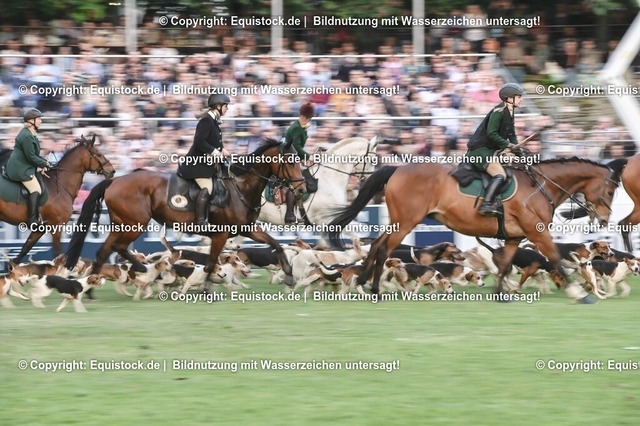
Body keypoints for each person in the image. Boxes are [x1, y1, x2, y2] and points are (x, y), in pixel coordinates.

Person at [465, 83, 525, 216]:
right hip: (480, 151)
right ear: (509, 98)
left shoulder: (510, 111)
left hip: (490, 150)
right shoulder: (498, 112)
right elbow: (492, 134)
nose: (521, 99)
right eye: (519, 97)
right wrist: (508, 145)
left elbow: (512, 135)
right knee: (500, 175)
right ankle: (486, 205)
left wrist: (520, 154)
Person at [177, 93, 230, 226]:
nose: (227, 108)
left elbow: (213, 140)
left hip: (207, 163)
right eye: (226, 106)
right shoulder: (206, 121)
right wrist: (216, 152)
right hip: (196, 165)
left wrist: (222, 149)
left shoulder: (214, 121)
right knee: (208, 188)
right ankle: (200, 221)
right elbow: (200, 142)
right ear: (218, 106)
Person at [6, 108, 53, 226]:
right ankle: (32, 220)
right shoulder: (27, 136)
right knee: (36, 189)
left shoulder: (31, 133)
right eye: (39, 119)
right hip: (19, 168)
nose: (41, 121)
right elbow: (31, 157)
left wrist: (43, 163)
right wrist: (44, 164)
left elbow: (33, 155)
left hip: (24, 164)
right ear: (31, 121)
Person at [283, 102, 315, 223]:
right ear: (305, 117)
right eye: (309, 118)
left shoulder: (300, 127)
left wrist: (303, 159)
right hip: (288, 159)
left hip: (294, 158)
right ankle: (290, 214)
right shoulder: (296, 128)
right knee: (294, 184)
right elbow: (296, 147)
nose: (309, 120)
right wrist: (308, 157)